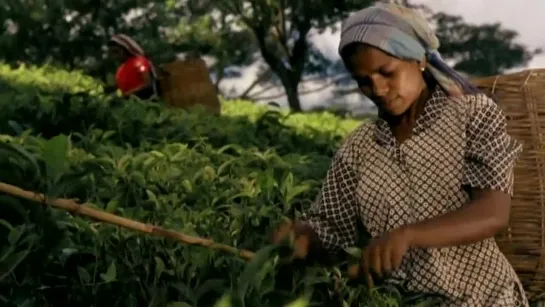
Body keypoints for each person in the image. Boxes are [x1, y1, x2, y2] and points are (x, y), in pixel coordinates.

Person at [271, 3, 528, 306]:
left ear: (418, 60)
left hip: (481, 298)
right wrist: (303, 238)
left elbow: (492, 211)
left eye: (386, 72)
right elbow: (331, 228)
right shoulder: (359, 147)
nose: (377, 89)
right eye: (364, 81)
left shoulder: (472, 115)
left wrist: (407, 235)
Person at [107, 34, 160, 100]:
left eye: (117, 51)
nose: (115, 56)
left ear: (125, 48)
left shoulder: (140, 62)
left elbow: (148, 84)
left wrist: (130, 94)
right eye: (112, 53)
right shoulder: (119, 70)